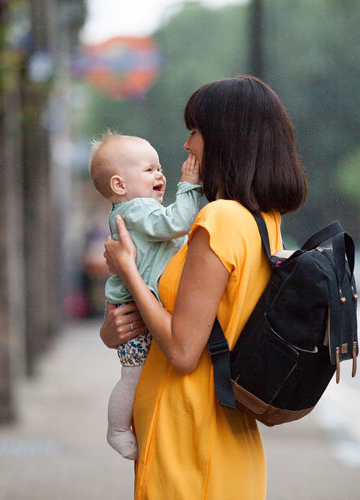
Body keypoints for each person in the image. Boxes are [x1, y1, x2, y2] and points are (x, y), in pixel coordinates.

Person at [101, 75, 306, 499]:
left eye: (195, 131)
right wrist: (113, 330)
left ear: (225, 139)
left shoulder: (219, 221)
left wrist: (128, 271)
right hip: (215, 429)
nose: (187, 145)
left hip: (190, 433)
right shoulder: (262, 220)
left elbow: (181, 349)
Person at [89, 132, 202, 460]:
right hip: (130, 307)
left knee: (140, 373)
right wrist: (190, 185)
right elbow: (178, 222)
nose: (161, 175)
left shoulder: (138, 212)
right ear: (119, 185)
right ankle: (117, 429)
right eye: (149, 170)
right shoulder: (135, 210)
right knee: (133, 374)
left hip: (138, 303)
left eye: (160, 168)